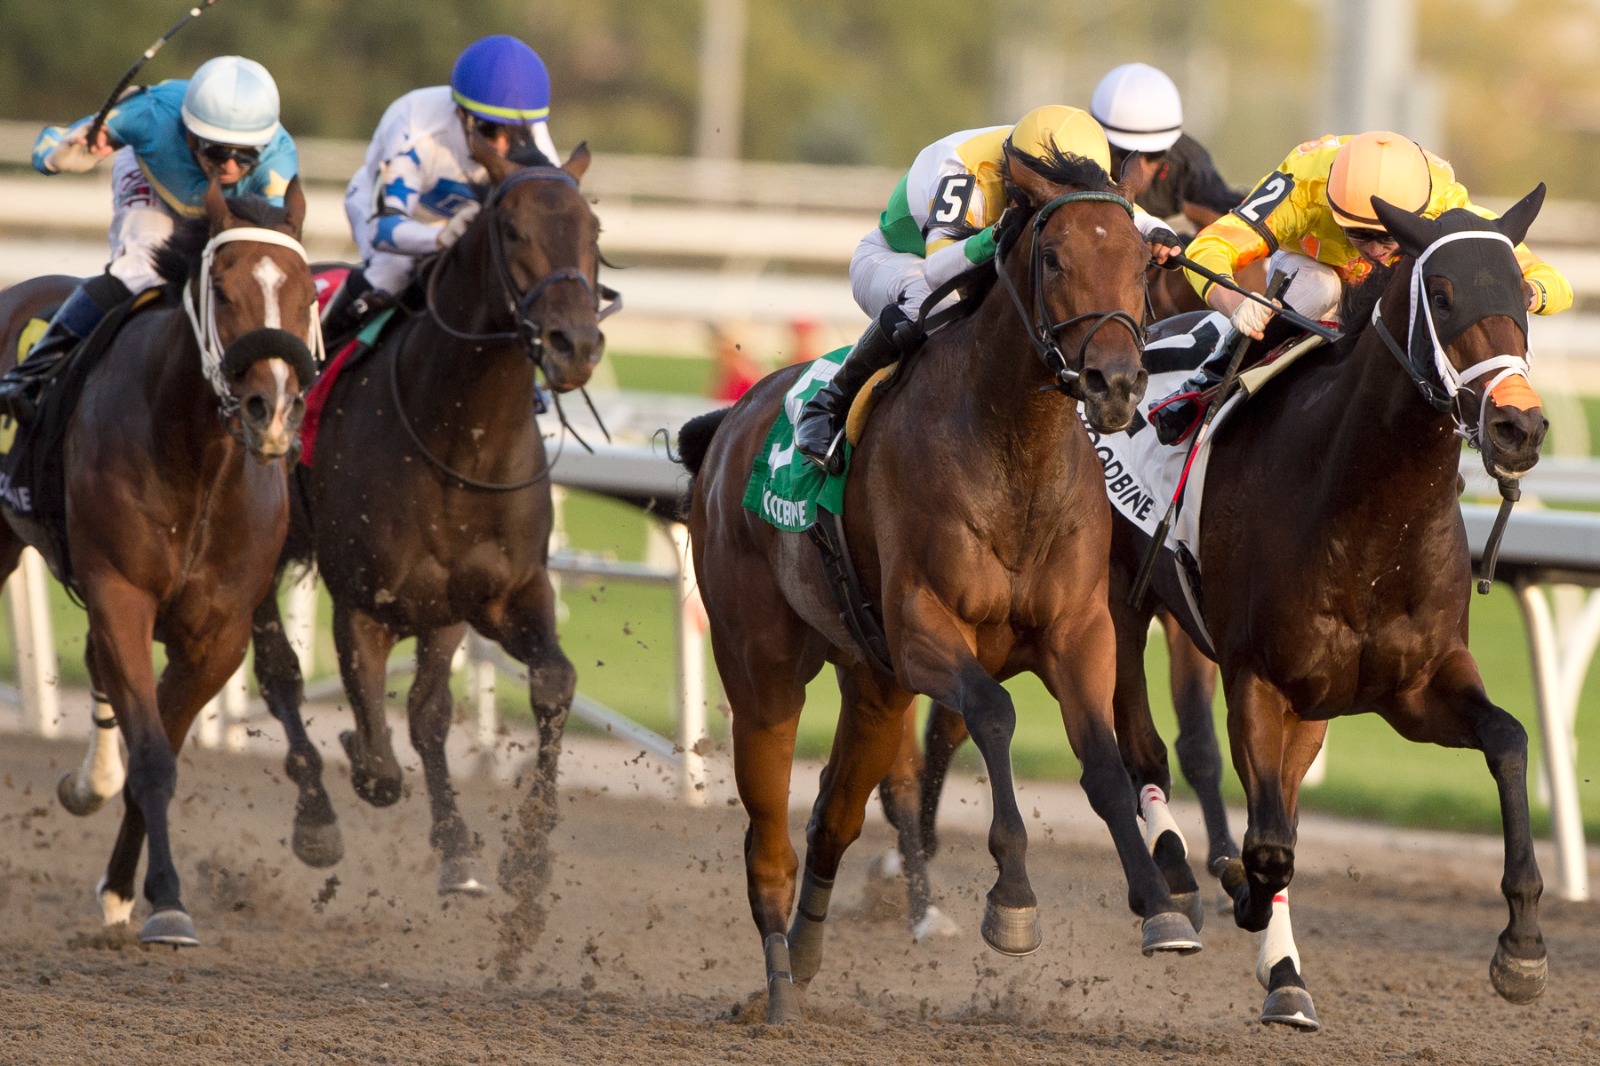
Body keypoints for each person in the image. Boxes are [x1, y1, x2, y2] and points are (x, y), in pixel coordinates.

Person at [794, 104, 1184, 472]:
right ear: (1020, 176)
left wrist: (1154, 230)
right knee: (929, 302)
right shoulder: (961, 169)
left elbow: (1106, 207)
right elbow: (938, 272)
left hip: (963, 265)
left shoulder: (1069, 146)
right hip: (897, 261)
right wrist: (996, 234)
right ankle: (828, 402)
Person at [1147, 130, 1574, 444]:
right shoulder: (1304, 185)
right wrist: (1236, 301)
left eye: (1388, 237)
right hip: (1310, 270)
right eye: (1357, 234)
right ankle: (1205, 383)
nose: (1373, 250)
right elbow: (1210, 247)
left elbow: (1555, 284)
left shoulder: (1446, 201)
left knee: (1424, 293)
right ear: (1330, 205)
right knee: (1321, 287)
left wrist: (1528, 295)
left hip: (1384, 293)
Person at [0, 55, 297, 423]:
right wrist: (64, 154)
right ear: (189, 134)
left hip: (221, 208)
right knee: (139, 270)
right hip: (152, 179)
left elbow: (261, 252)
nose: (232, 168)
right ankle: (29, 376)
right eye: (218, 153)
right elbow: (48, 152)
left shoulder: (279, 163)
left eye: (246, 156)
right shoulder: (149, 116)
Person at [323, 34, 559, 343]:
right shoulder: (415, 126)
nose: (502, 147)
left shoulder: (533, 133)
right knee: (392, 271)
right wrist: (440, 237)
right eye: (489, 130)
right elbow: (385, 231)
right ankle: (320, 358)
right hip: (385, 215)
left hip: (460, 226)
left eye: (512, 132)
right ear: (460, 113)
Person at [1090, 62, 1244, 231]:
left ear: (1169, 146)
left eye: (1154, 154)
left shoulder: (1190, 164)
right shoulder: (1079, 153)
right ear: (1101, 140)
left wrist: (1189, 211)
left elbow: (1239, 231)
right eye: (1126, 153)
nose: (1139, 167)